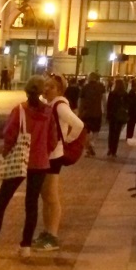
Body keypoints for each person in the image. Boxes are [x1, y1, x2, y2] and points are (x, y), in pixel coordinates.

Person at [0, 76, 58, 258]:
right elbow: (53, 139)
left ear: (27, 91)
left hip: (19, 159)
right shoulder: (48, 112)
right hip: (40, 162)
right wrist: (44, 151)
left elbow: (10, 136)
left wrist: (7, 153)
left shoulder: (20, 110)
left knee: (2, 202)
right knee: (32, 204)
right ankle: (25, 246)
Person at [35, 73, 85, 253]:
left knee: (51, 196)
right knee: (45, 196)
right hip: (47, 155)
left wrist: (67, 141)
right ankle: (46, 232)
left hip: (54, 156)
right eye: (45, 86)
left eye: (51, 87)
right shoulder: (50, 104)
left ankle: (52, 236)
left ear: (59, 90)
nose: (47, 89)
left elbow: (78, 124)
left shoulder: (59, 105)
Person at [78, 73, 104, 156]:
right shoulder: (101, 87)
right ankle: (92, 143)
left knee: (86, 131)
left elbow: (81, 101)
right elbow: (104, 100)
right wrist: (104, 111)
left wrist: (80, 112)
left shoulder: (85, 88)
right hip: (97, 112)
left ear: (89, 78)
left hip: (86, 112)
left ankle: (88, 148)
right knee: (96, 130)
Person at [106, 78, 129, 156]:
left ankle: (110, 148)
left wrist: (107, 116)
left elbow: (108, 105)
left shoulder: (112, 93)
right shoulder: (125, 94)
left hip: (112, 115)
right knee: (117, 133)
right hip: (120, 116)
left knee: (111, 132)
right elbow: (127, 105)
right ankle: (114, 150)